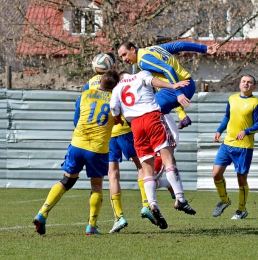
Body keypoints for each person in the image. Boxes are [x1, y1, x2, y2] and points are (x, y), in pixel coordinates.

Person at [32, 70, 120, 235]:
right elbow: (119, 121)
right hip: (97, 148)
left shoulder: (85, 94)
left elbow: (76, 117)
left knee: (67, 180)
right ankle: (91, 226)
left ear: (100, 81)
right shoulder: (115, 100)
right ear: (116, 86)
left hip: (77, 143)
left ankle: (42, 213)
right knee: (96, 185)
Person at [110, 70, 196, 230]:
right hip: (152, 118)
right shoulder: (140, 75)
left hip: (135, 125)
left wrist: (117, 118)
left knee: (146, 169)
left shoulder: (116, 88)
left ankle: (152, 204)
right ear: (129, 74)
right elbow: (153, 81)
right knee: (168, 159)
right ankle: (180, 198)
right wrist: (172, 85)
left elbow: (114, 108)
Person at [117, 40, 219, 129]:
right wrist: (204, 48)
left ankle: (158, 145)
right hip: (189, 84)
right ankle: (176, 125)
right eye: (121, 57)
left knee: (143, 112)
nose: (123, 59)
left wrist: (178, 93)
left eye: (125, 54)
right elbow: (180, 45)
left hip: (177, 91)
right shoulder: (153, 49)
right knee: (157, 117)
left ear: (133, 49)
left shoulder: (143, 60)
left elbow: (168, 69)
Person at [212, 74, 258, 219]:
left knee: (241, 179)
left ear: (254, 86)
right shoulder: (232, 99)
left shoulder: (255, 103)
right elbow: (227, 117)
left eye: (249, 82)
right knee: (216, 174)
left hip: (244, 147)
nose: (246, 84)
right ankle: (225, 200)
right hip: (227, 143)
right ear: (239, 84)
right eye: (244, 81)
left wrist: (246, 131)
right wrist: (219, 130)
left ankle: (241, 209)